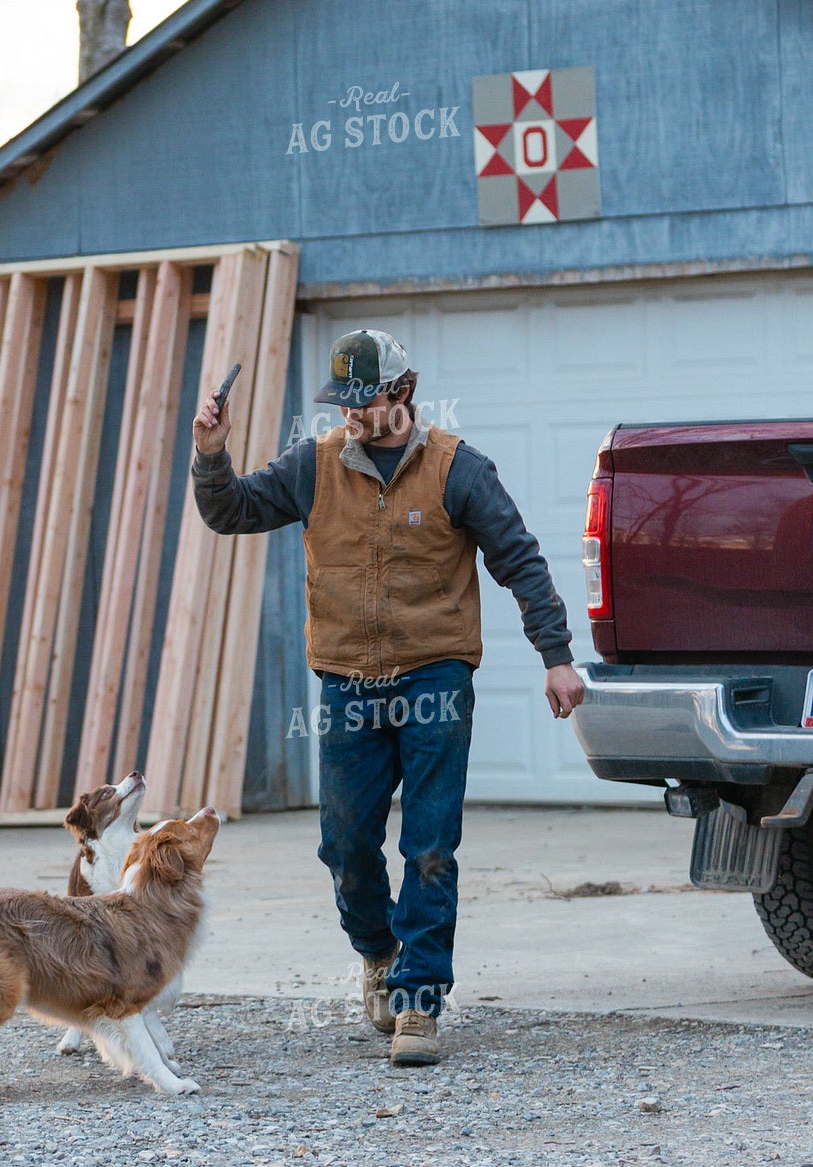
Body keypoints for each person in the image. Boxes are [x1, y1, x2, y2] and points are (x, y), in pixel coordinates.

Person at [191, 328, 585, 1067]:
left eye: (361, 399)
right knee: (344, 847)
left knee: (430, 848)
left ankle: (418, 1002)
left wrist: (556, 658)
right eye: (339, 400)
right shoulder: (310, 468)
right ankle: (378, 951)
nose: (348, 413)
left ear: (402, 393)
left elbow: (520, 560)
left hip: (435, 677)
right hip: (347, 683)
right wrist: (212, 454)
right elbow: (231, 512)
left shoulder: (457, 469)